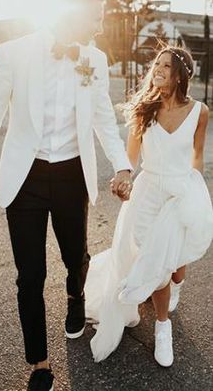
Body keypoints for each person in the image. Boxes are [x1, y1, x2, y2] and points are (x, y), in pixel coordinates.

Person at [0, 0, 133, 391]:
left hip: (71, 174)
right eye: (96, 17)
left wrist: (122, 165)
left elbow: (103, 118)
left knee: (75, 255)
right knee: (29, 274)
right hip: (24, 177)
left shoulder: (94, 60)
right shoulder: (13, 53)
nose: (99, 27)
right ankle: (38, 364)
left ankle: (76, 297)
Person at [85, 46, 213, 367]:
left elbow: (197, 154)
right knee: (157, 262)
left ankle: (174, 286)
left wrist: (197, 190)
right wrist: (124, 178)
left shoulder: (200, 112)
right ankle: (162, 327)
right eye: (157, 63)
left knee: (177, 264)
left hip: (180, 191)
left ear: (181, 74)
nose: (158, 69)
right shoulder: (144, 111)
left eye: (166, 65)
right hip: (148, 194)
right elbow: (131, 158)